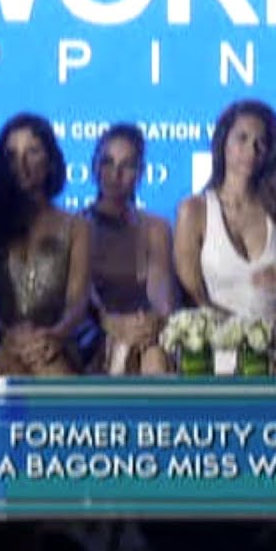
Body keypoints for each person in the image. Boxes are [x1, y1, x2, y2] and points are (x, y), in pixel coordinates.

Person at [0, 113, 92, 378]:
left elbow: (77, 302)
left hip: (55, 339)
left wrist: (54, 335)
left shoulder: (76, 226)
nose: (21, 164)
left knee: (46, 361)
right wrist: (9, 332)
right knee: (6, 361)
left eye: (32, 152)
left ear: (50, 161)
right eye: (12, 155)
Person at [173, 99, 276, 319]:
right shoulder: (194, 211)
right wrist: (246, 329)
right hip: (217, 332)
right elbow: (194, 298)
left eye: (261, 142)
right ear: (223, 143)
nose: (251, 150)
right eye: (242, 138)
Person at [81, 124, 174, 375]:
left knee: (154, 355)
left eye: (128, 165)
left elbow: (162, 300)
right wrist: (113, 325)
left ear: (141, 173)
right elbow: (80, 301)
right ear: (95, 167)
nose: (116, 174)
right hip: (94, 337)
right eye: (108, 163)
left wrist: (149, 324)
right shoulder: (77, 227)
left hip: (145, 335)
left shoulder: (155, 228)